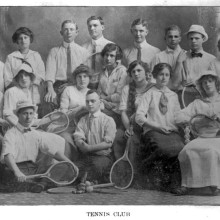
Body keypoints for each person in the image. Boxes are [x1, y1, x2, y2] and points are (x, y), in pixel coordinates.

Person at [0, 100, 73, 193]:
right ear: (18, 115)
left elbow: (53, 151)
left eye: (31, 113)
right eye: (25, 114)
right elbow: (7, 156)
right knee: (12, 180)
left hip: (33, 168)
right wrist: (17, 172)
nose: (28, 117)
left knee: (63, 166)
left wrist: (71, 163)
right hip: (14, 168)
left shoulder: (35, 134)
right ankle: (40, 184)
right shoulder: (11, 134)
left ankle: (39, 184)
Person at [135, 63, 184, 191]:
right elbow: (139, 116)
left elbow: (178, 116)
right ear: (155, 76)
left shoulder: (173, 96)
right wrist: (156, 127)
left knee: (181, 149)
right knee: (163, 149)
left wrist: (184, 121)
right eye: (161, 74)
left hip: (170, 132)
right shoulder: (149, 94)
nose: (164, 78)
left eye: (167, 75)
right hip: (153, 131)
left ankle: (174, 184)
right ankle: (159, 180)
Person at [174, 70, 220, 196]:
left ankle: (215, 185)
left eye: (210, 81)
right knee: (187, 150)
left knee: (211, 151)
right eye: (204, 82)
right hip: (201, 137)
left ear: (216, 83)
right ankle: (187, 185)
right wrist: (194, 120)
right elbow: (178, 117)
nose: (207, 84)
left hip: (217, 137)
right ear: (201, 86)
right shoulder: (197, 103)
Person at [113, 60, 154, 182]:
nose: (136, 73)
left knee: (133, 141)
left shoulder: (153, 88)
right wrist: (127, 129)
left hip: (147, 124)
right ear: (130, 74)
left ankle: (134, 175)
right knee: (118, 137)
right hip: (129, 124)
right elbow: (124, 112)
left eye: (139, 70)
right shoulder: (127, 88)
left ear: (146, 72)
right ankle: (122, 172)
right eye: (133, 71)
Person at [44, 20, 89, 113]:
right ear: (61, 32)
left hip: (76, 84)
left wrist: (77, 85)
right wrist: (50, 89)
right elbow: (50, 72)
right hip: (58, 85)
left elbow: (85, 72)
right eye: (66, 30)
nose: (69, 32)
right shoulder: (54, 51)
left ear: (76, 32)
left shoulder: (83, 51)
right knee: (49, 100)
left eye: (71, 29)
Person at [73, 90, 116, 183]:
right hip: (87, 157)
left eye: (93, 101)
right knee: (72, 169)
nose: (90, 104)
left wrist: (89, 148)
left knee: (95, 168)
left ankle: (90, 181)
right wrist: (81, 143)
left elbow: (108, 143)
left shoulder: (108, 120)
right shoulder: (83, 120)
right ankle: (43, 183)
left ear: (100, 102)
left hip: (103, 157)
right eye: (87, 101)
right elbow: (78, 137)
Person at [3, 27, 45, 108]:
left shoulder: (36, 55)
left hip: (33, 92)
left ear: (30, 39)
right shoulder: (11, 57)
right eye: (20, 38)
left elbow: (41, 75)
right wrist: (20, 87)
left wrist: (30, 83)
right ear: (17, 41)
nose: (23, 40)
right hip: (16, 93)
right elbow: (8, 79)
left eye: (26, 37)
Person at [59, 64, 90, 161]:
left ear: (89, 79)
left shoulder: (92, 92)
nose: (82, 79)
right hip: (69, 125)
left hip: (87, 127)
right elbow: (63, 115)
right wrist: (79, 108)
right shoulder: (69, 90)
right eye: (79, 77)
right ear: (75, 78)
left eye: (85, 76)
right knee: (65, 138)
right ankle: (69, 166)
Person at [172, 24, 216, 90]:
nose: (193, 41)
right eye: (191, 38)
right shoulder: (181, 57)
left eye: (196, 38)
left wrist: (198, 83)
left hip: (204, 96)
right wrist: (179, 62)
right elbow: (175, 84)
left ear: (203, 39)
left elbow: (216, 83)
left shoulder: (211, 59)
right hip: (184, 96)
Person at [98, 43, 127, 127]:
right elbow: (99, 92)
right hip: (103, 105)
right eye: (106, 55)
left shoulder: (123, 71)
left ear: (117, 57)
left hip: (116, 110)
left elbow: (120, 96)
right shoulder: (103, 72)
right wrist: (103, 101)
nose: (108, 58)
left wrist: (105, 99)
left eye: (112, 56)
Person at [83, 16, 113, 89]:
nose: (92, 28)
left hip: (107, 85)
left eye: (95, 25)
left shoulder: (111, 46)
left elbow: (116, 70)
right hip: (87, 85)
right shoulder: (83, 48)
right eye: (89, 26)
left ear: (102, 27)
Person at [3, 63, 37, 127]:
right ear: (17, 79)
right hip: (13, 128)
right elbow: (8, 115)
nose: (23, 78)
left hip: (27, 127)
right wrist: (21, 127)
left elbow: (33, 115)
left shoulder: (29, 93)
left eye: (26, 75)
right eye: (20, 76)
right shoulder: (11, 92)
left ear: (30, 78)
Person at [151, 25, 184, 90]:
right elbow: (153, 79)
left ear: (180, 39)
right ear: (165, 38)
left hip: (182, 93)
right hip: (163, 93)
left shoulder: (186, 55)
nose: (173, 39)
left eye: (176, 36)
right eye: (170, 37)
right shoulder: (158, 56)